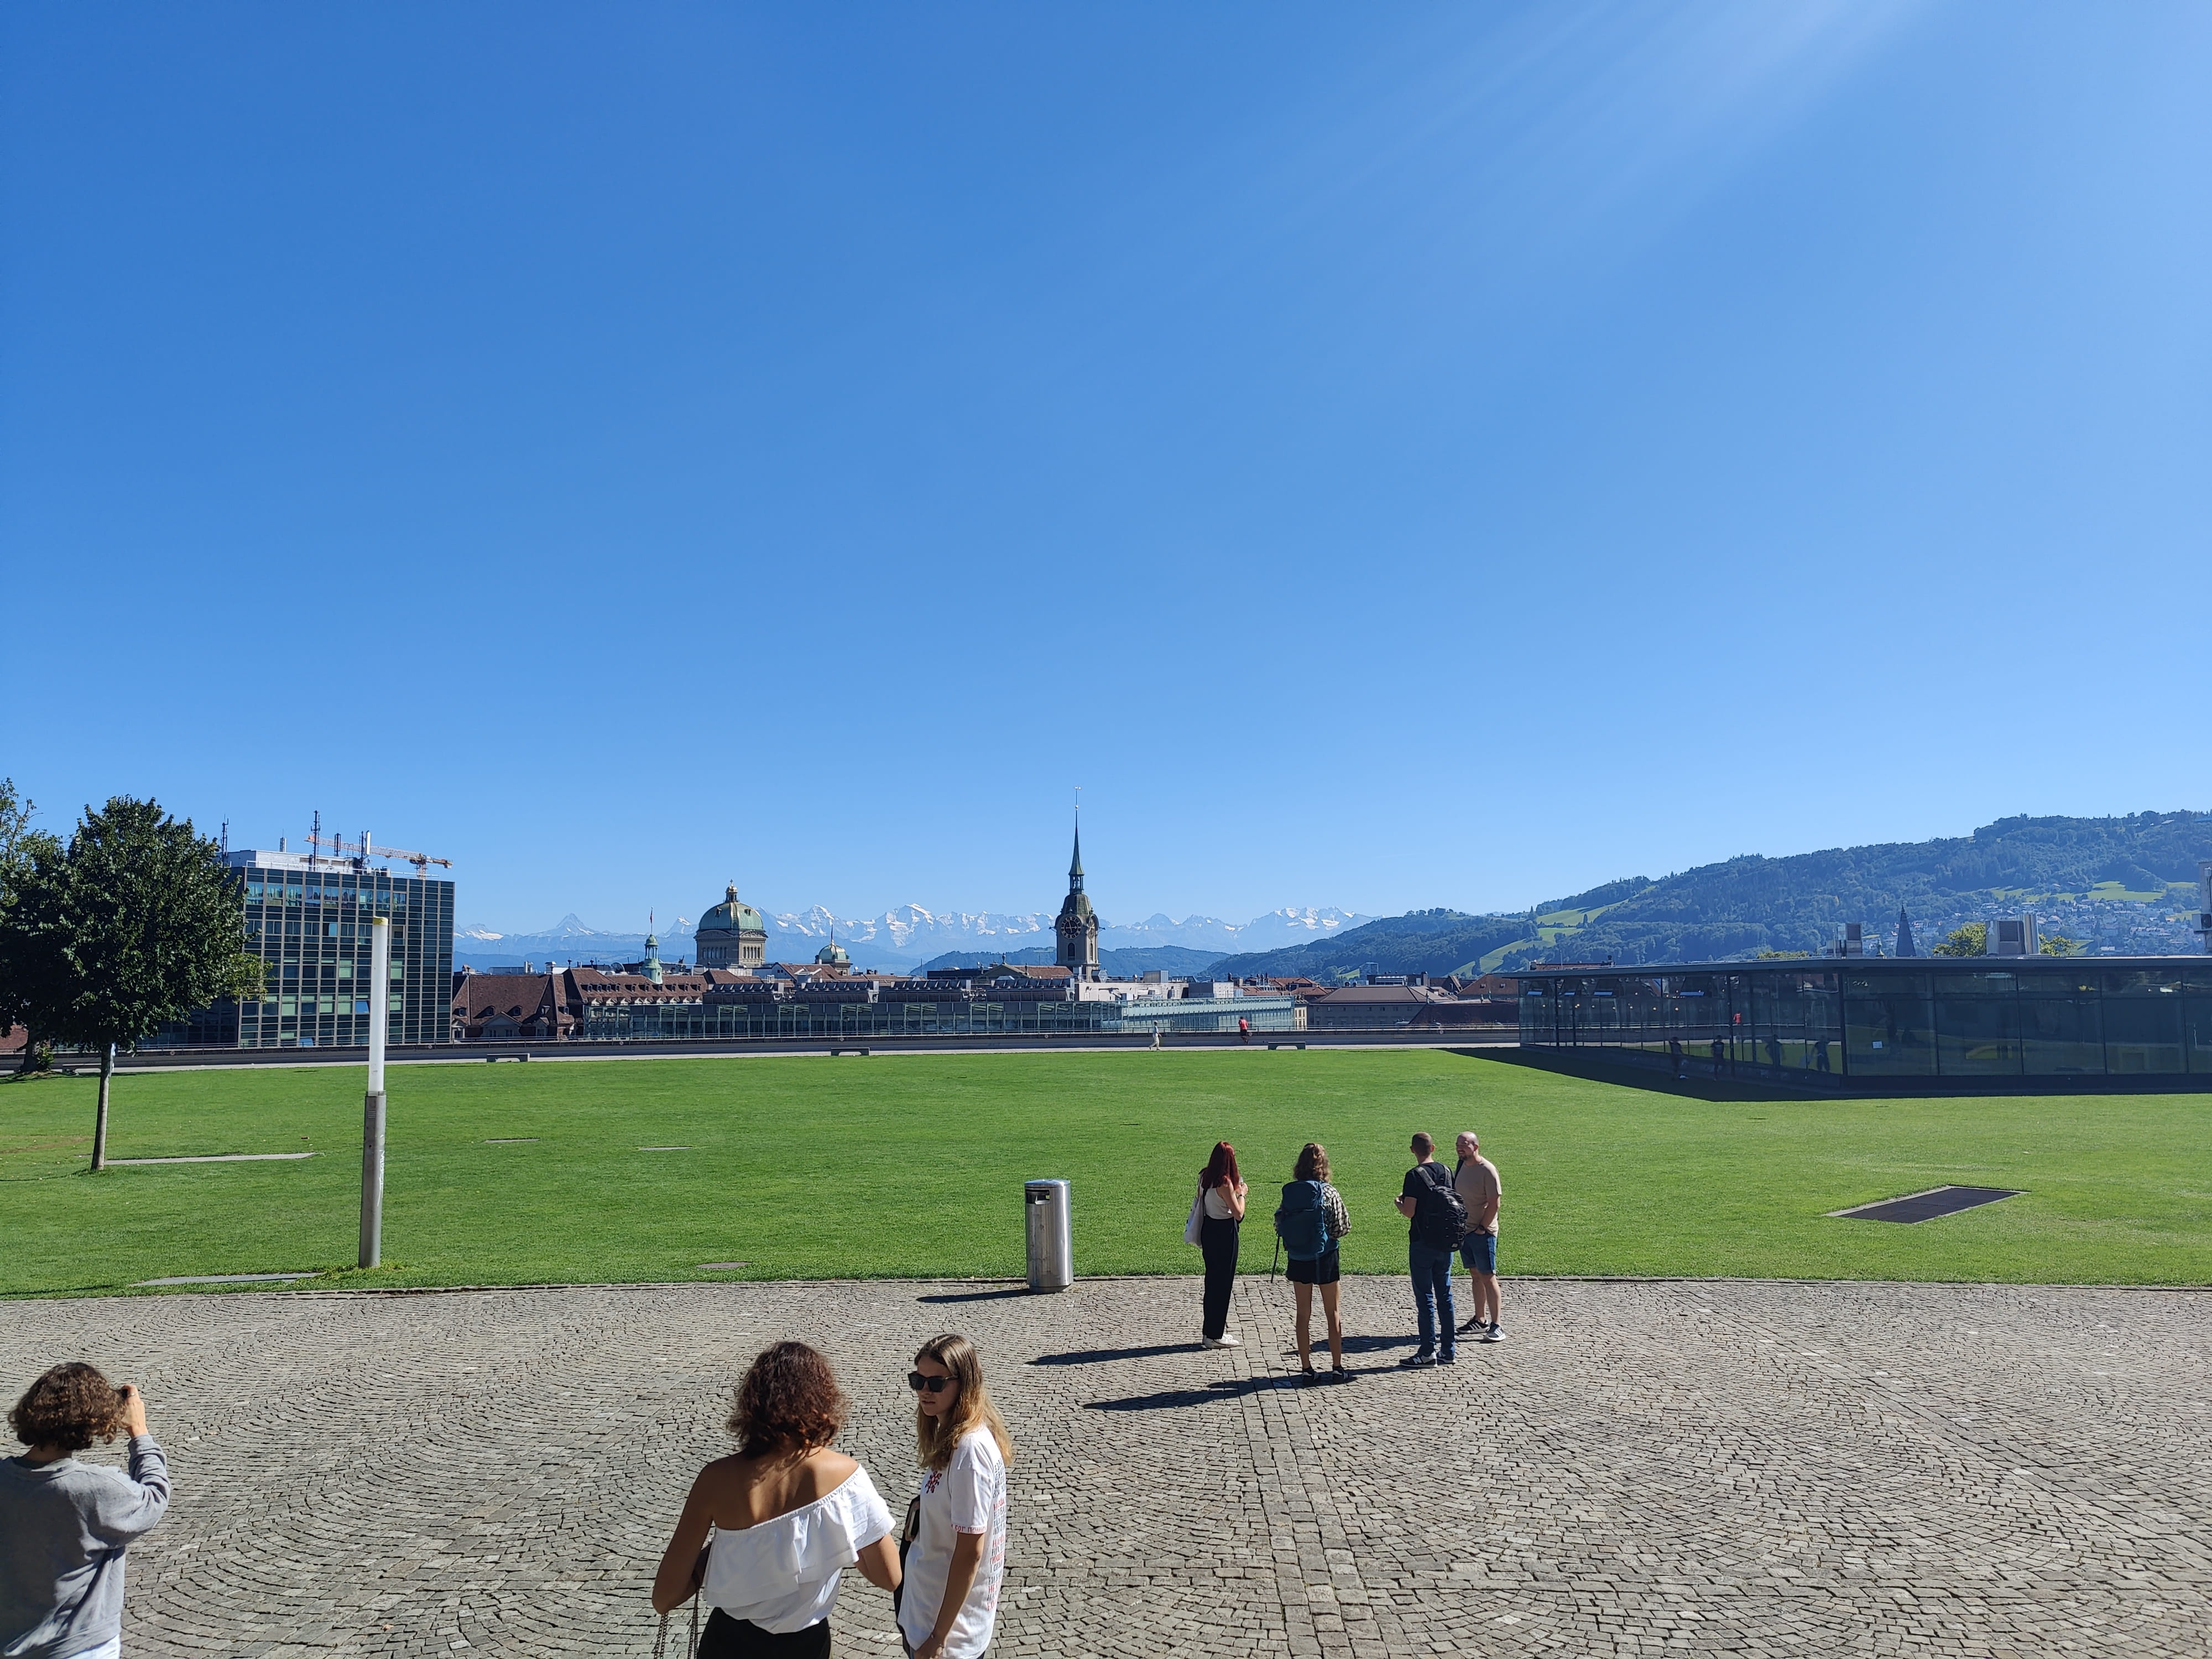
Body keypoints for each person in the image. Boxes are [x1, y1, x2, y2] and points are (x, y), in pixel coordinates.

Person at [653, 1340, 899, 1658]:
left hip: (729, 1643)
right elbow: (889, 1576)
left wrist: (713, 1559)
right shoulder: (845, 1477)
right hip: (806, 1645)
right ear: (822, 1400)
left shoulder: (716, 1479)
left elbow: (665, 1597)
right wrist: (830, 1542)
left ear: (752, 1404)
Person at [2, 1363, 171, 1659]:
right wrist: (140, 1433)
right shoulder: (95, 1488)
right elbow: (154, 1497)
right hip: (78, 1644)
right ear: (93, 1421)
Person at [899, 1335, 1013, 1659]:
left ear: (964, 1384)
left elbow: (970, 1554)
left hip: (946, 1636)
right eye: (918, 1380)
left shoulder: (969, 1453)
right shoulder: (956, 1439)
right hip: (926, 1612)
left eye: (936, 1383)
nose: (924, 1390)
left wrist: (937, 1638)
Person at [1275, 1141, 1352, 1380]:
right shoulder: (1329, 1192)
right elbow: (1342, 1228)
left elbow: (1279, 1224)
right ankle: (1337, 1367)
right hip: (1326, 1256)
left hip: (1298, 1257)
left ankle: (1307, 1369)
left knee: (1302, 1314)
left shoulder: (1292, 1192)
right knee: (1333, 1313)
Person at [1393, 1131, 1463, 1367]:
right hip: (1445, 1241)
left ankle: (1426, 1352)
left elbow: (1410, 1212)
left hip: (1422, 1243)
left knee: (1425, 1298)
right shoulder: (1446, 1171)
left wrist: (1399, 1204)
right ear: (1433, 1148)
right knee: (1445, 1295)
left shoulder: (1413, 1176)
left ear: (1413, 1150)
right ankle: (1449, 1350)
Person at [1451, 1131, 1504, 1342]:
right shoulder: (1461, 1166)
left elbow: (1495, 1203)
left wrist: (1482, 1227)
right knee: (1475, 1275)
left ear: (1476, 1146)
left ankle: (1497, 1324)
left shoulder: (1487, 1170)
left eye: (1464, 1144)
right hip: (1466, 1230)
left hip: (1483, 1233)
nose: (1459, 1148)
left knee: (1488, 1276)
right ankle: (1480, 1319)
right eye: (1457, 1145)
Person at [1194, 1141, 1246, 1350]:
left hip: (1209, 1230)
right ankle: (1215, 1334)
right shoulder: (1225, 1184)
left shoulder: (1205, 1177)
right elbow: (1239, 1214)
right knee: (1223, 1285)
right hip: (1224, 1232)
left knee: (1212, 1282)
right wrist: (1241, 1193)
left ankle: (1211, 1330)